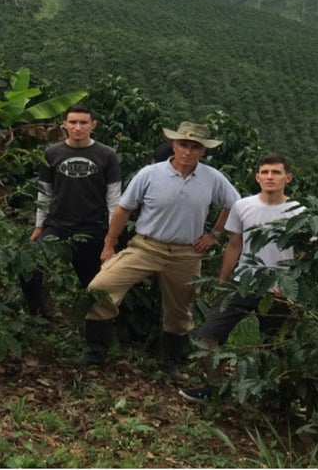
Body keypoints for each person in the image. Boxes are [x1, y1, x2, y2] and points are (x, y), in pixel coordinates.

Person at [68, 121, 240, 377]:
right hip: (146, 246)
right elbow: (124, 208)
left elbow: (234, 205)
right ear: (173, 144)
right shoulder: (150, 173)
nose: (188, 152)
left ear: (203, 151)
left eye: (195, 147)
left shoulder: (212, 178)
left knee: (180, 310)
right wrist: (109, 244)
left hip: (186, 253)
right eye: (183, 144)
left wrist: (215, 235)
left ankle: (171, 361)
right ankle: (96, 351)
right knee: (100, 288)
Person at [179, 154, 303, 402]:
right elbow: (234, 245)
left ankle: (278, 397)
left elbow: (303, 253)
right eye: (265, 172)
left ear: (287, 178)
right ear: (257, 177)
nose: (270, 177)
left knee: (277, 345)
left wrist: (294, 286)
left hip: (279, 288)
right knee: (210, 334)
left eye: (276, 172)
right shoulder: (243, 206)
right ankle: (213, 387)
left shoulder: (298, 212)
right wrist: (223, 281)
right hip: (243, 282)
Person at [21, 104, 122, 317]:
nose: (78, 127)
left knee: (95, 286)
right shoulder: (52, 153)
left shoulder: (107, 155)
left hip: (91, 230)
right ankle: (38, 314)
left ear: (93, 125)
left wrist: (110, 239)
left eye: (83, 123)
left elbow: (114, 200)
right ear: (64, 124)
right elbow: (44, 193)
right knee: (29, 268)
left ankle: (95, 325)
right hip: (57, 227)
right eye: (73, 122)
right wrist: (39, 226)